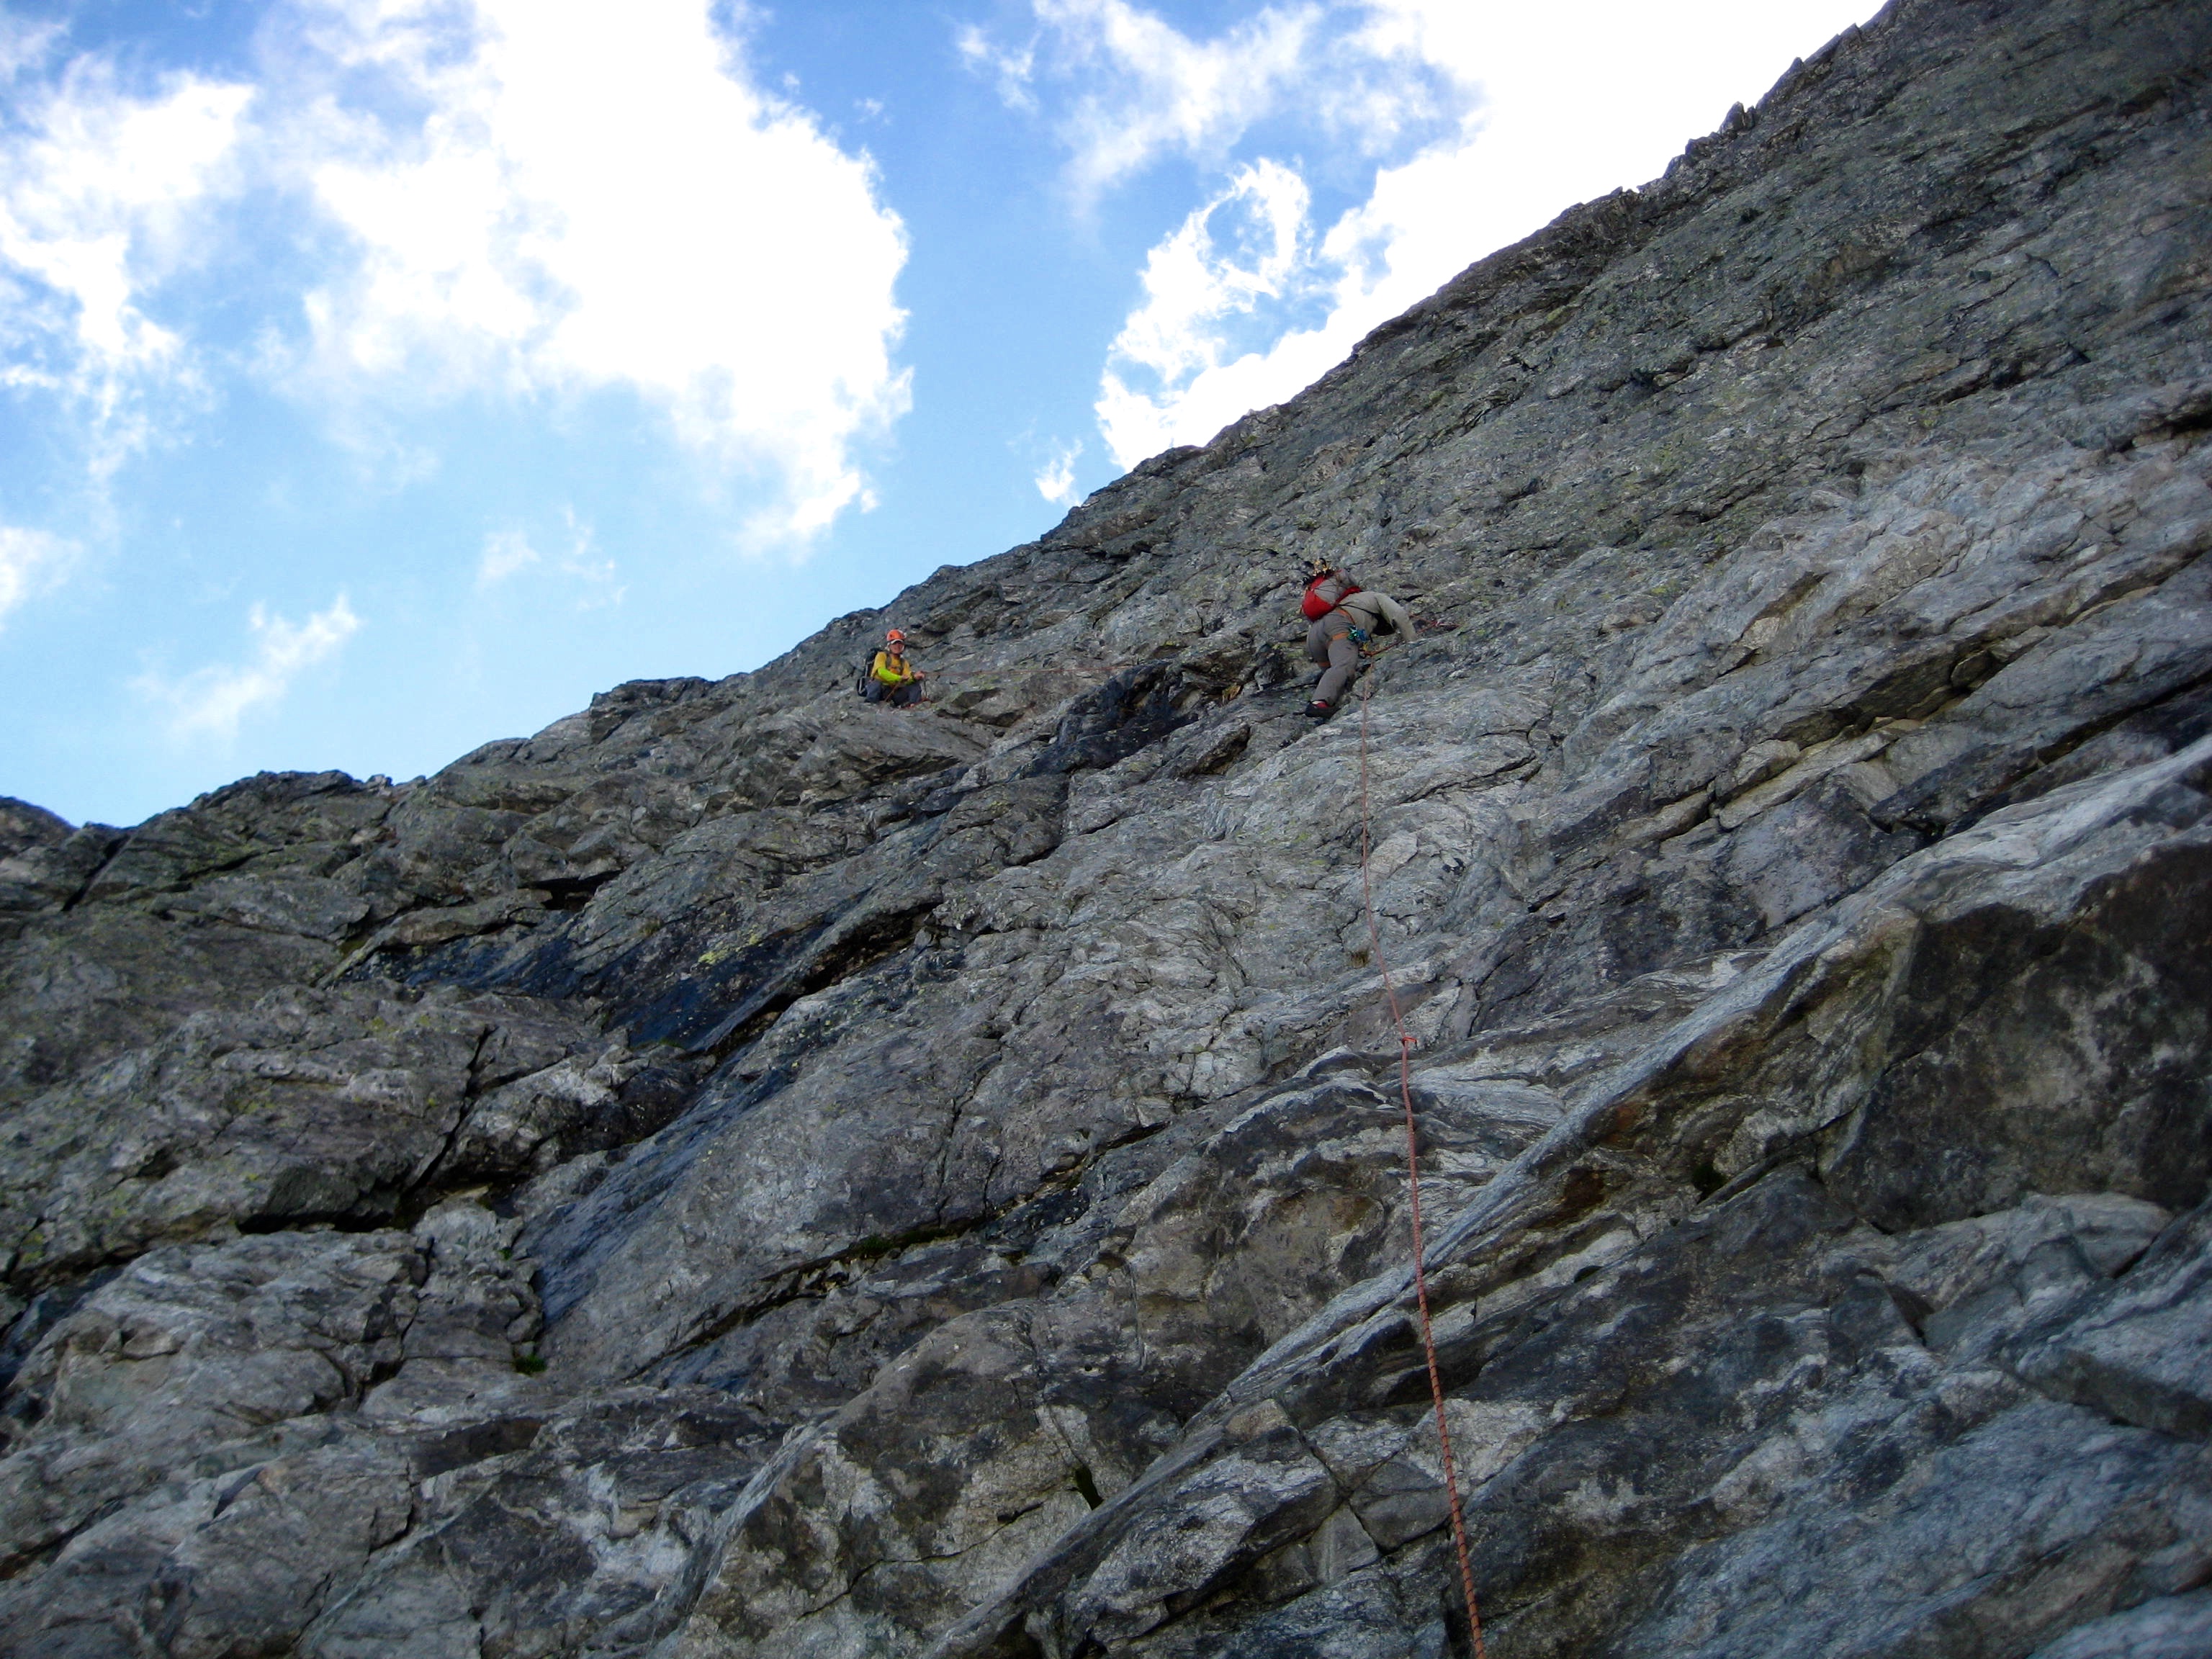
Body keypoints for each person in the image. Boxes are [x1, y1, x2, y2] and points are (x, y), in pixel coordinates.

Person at [1300, 564, 1413, 717]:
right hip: (1338, 624)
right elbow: (1399, 615)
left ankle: (1328, 702)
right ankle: (1318, 704)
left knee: (1335, 671)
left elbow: (1355, 633)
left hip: (1314, 634)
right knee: (1343, 665)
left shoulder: (1343, 603)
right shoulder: (1375, 597)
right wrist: (1414, 644)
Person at [867, 629, 928, 707]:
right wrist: (899, 678)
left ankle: (915, 705)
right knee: (877, 683)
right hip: (879, 691)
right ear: (889, 645)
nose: (898, 646)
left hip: (893, 694)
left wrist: (914, 677)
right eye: (895, 643)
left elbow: (907, 678)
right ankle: (870, 705)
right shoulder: (882, 656)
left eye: (900, 643)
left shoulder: (904, 662)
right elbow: (881, 672)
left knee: (914, 684)